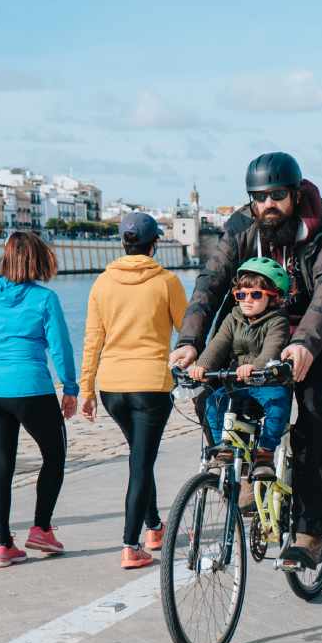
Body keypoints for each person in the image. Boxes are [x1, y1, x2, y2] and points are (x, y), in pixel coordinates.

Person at [171, 152, 322, 572]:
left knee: (312, 416)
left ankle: (311, 532)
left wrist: (305, 345)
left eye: (277, 195)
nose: (268, 205)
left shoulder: (321, 230)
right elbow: (211, 283)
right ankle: (238, 471)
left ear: (295, 194)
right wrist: (190, 341)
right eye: (259, 197)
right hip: (253, 332)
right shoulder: (242, 228)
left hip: (319, 340)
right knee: (209, 391)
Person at [80, 212, 189, 570]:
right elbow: (187, 331)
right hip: (151, 385)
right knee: (141, 462)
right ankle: (131, 545)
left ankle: (154, 528)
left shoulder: (102, 283)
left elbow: (93, 340)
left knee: (140, 456)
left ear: (122, 242)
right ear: (154, 243)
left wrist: (87, 389)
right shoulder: (167, 282)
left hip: (112, 387)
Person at [0, 232, 79, 568]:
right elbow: (60, 348)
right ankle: (42, 529)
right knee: (54, 456)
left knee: (1, 466)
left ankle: (3, 546)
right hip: (30, 388)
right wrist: (70, 388)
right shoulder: (45, 299)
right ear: (37, 259)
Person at [189, 257, 292, 481]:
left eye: (255, 295)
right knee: (212, 402)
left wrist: (254, 367)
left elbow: (272, 351)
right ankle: (223, 448)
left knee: (278, 405)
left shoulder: (277, 321)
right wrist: (202, 366)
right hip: (238, 381)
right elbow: (217, 345)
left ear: (274, 298)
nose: (247, 300)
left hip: (267, 381)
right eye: (241, 295)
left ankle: (265, 454)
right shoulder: (232, 318)